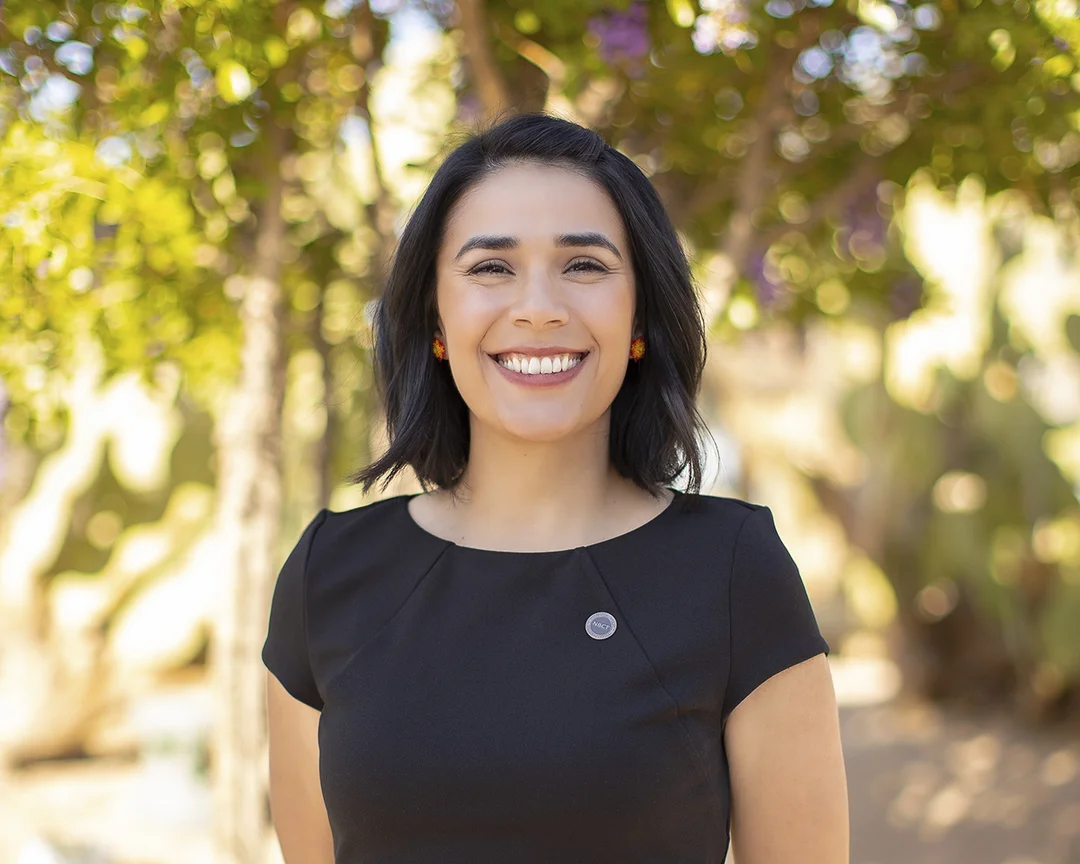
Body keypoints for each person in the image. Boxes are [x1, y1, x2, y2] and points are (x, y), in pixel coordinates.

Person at [262, 113, 849, 863]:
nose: (538, 307)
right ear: (436, 321)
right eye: (490, 269)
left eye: (583, 265)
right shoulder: (329, 575)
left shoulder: (734, 569)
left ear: (639, 316)